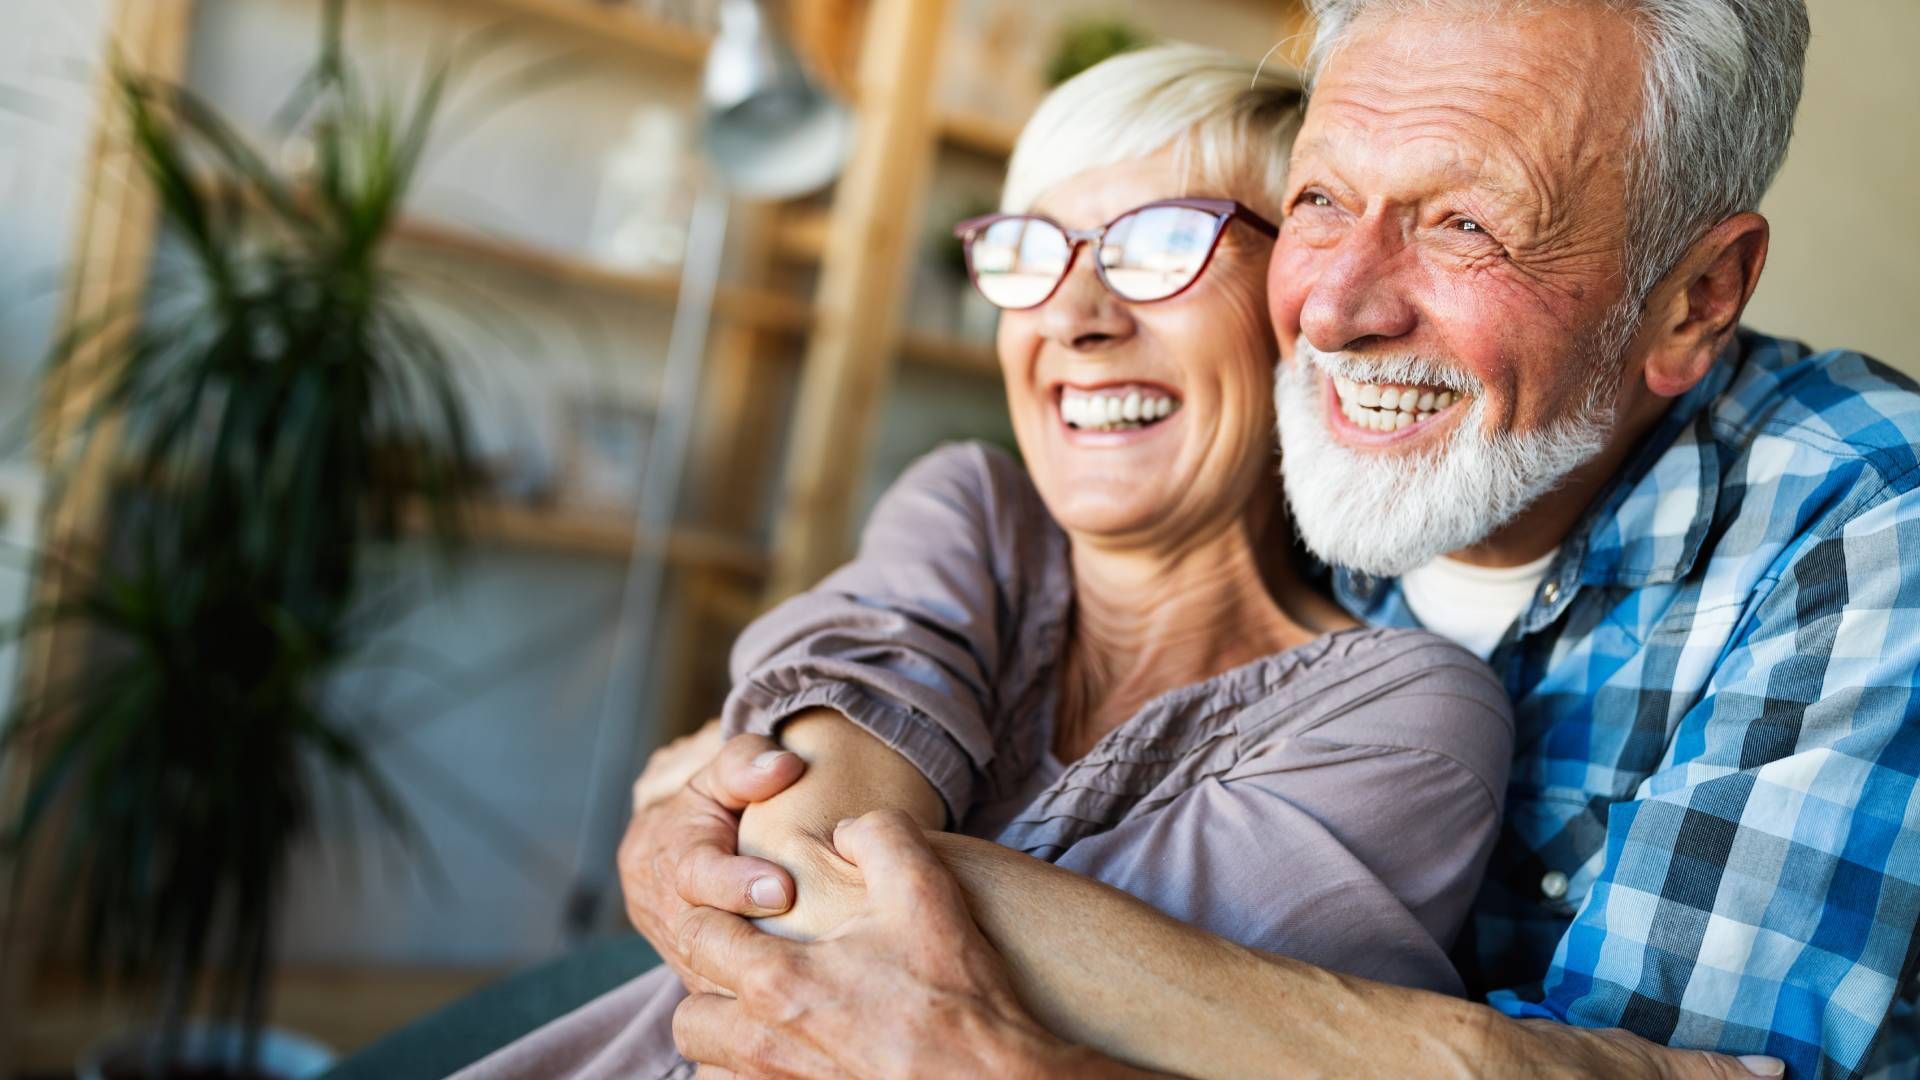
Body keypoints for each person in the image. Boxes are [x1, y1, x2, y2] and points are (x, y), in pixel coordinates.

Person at [640, 1, 1920, 1077]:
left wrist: (1009, 1049)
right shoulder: (1298, 474)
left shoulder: (1866, 525)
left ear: (1694, 296)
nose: (1336, 309)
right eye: (1320, 199)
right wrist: (712, 797)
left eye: (1467, 221)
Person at [457, 45, 1513, 1079]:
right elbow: (804, 882)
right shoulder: (972, 510)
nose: (1074, 315)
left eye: (1159, 246)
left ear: (1302, 306)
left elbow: (827, 907)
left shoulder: (1407, 718)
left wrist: (725, 799)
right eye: (1033, 251)